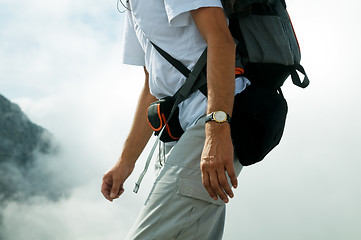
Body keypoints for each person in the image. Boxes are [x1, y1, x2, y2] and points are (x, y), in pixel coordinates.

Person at [101, 0, 250, 238]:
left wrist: (217, 130)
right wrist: (125, 162)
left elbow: (221, 41)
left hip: (208, 121)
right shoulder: (131, 4)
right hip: (176, 134)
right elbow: (154, 83)